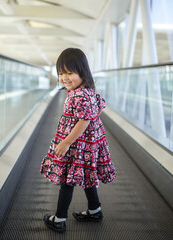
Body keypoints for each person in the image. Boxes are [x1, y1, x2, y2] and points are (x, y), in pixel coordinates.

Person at [40, 48, 116, 233]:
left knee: (68, 179)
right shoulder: (85, 91)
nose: (64, 77)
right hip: (86, 144)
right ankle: (94, 210)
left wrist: (66, 142)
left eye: (69, 72)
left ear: (83, 72)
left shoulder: (80, 94)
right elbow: (95, 111)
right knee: (87, 175)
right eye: (60, 73)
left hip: (77, 145)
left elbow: (84, 120)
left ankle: (59, 218)